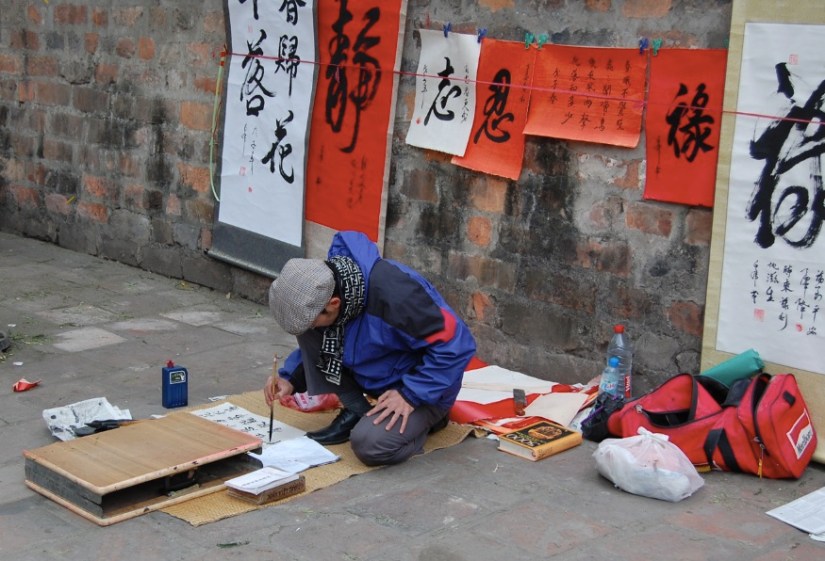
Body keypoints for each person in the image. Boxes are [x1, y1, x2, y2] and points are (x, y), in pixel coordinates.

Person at [264, 230, 476, 466]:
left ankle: (430, 421)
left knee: (370, 445)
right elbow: (321, 343)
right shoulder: (330, 285)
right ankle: (357, 409)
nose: (313, 329)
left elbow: (458, 346)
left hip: (421, 386)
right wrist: (290, 379)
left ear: (333, 304)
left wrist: (410, 395)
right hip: (376, 377)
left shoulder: (398, 296)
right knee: (311, 330)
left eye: (315, 321)